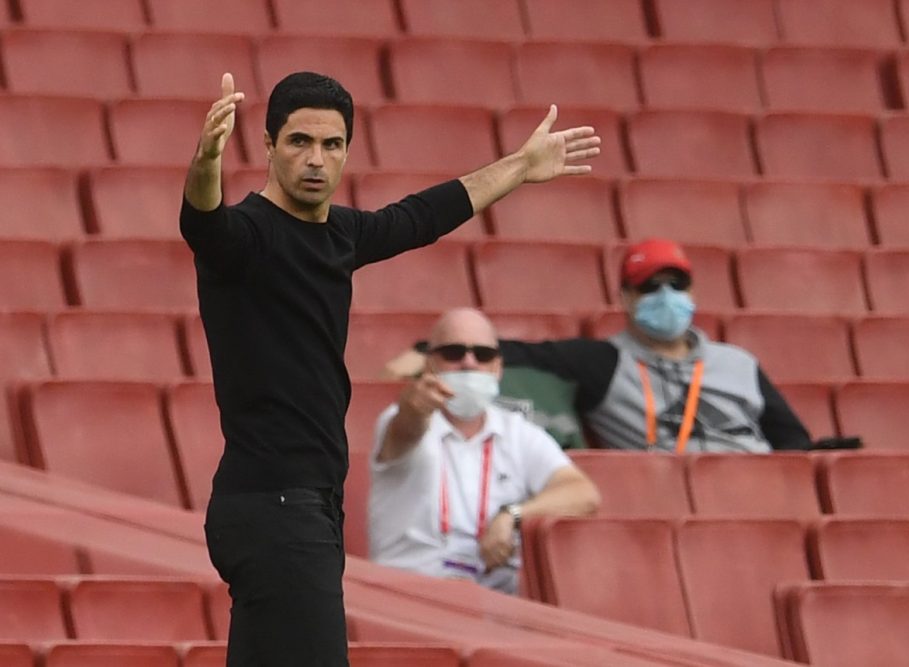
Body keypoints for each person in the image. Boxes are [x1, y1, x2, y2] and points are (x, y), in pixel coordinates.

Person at [181, 70, 600, 667]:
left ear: (348, 150)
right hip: (274, 505)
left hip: (307, 507)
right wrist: (205, 162)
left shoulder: (342, 235)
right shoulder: (245, 236)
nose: (316, 159)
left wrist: (519, 167)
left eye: (332, 144)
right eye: (299, 141)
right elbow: (203, 221)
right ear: (269, 146)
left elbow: (422, 216)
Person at [387, 239, 813, 454]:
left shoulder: (739, 363)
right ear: (625, 298)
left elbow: (796, 449)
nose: (665, 296)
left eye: (676, 284)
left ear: (692, 290)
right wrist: (428, 350)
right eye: (650, 288)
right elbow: (522, 352)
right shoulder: (605, 361)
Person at [368, 308, 600, 594]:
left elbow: (583, 494)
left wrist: (513, 516)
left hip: (495, 599)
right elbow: (406, 429)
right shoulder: (400, 417)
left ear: (498, 368)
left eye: (483, 355)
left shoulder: (518, 431)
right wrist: (412, 407)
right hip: (411, 594)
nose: (469, 363)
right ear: (430, 365)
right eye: (453, 353)